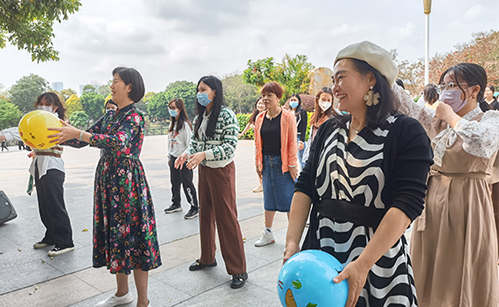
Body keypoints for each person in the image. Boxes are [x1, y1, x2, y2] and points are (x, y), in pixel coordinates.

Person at [284, 41, 433, 307]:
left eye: (341, 77)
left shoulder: (405, 132)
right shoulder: (329, 129)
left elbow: (407, 204)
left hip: (378, 260)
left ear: (371, 80)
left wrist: (363, 264)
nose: (334, 87)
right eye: (333, 79)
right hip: (321, 256)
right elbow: (305, 186)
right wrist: (293, 243)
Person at [49, 67, 160, 307]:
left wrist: (78, 132)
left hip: (128, 183)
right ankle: (122, 294)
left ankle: (143, 301)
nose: (111, 85)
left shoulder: (134, 117)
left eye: (116, 81)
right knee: (117, 236)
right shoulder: (111, 116)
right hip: (109, 181)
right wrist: (57, 134)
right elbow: (83, 139)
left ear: (129, 87)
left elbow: (118, 143)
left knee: (136, 237)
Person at [403, 63, 499, 306]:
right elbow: (405, 105)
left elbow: (482, 143)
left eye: (452, 86)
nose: (445, 92)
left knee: (461, 268)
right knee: (427, 267)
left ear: (476, 90)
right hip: (433, 200)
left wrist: (450, 116)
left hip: (467, 202)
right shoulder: (437, 122)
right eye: (443, 86)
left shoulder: (490, 119)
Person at [175, 75, 248, 289]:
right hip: (205, 171)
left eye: (203, 89)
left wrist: (203, 155)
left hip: (221, 171)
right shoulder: (200, 117)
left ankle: (238, 269)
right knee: (205, 216)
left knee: (227, 219)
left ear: (215, 91)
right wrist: (187, 153)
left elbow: (230, 147)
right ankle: (207, 258)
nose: (200, 93)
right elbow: (196, 143)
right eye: (198, 89)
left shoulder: (227, 115)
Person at [254, 82, 298, 247]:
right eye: (263, 95)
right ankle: (268, 232)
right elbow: (258, 144)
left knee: (289, 200)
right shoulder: (260, 118)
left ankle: (293, 237)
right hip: (266, 162)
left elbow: (293, 141)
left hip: (283, 163)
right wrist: (258, 164)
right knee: (268, 200)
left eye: (269, 95)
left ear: (278, 98)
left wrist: (293, 165)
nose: (265, 98)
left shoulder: (287, 116)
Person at [30, 92, 75, 257]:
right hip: (39, 164)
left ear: (55, 106)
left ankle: (65, 241)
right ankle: (51, 236)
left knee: (55, 205)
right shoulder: (38, 120)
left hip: (52, 166)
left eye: (47, 104)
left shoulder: (58, 122)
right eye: (40, 103)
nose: (43, 106)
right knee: (44, 204)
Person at [164, 98, 199, 219]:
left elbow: (190, 143)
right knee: (174, 182)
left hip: (183, 158)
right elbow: (170, 142)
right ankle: (176, 203)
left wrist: (186, 157)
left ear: (180, 109)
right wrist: (170, 157)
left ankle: (194, 207)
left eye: (173, 108)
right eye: (170, 108)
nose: (171, 110)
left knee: (187, 183)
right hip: (174, 157)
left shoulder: (184, 125)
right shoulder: (172, 123)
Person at [238, 97, 266, 193]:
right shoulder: (255, 115)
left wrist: (255, 127)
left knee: (264, 164)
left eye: (262, 103)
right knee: (257, 164)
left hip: (266, 144)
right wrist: (241, 134)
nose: (260, 105)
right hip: (257, 144)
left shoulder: (267, 115)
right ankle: (261, 184)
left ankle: (266, 184)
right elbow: (249, 124)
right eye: (258, 103)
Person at [287, 94, 308, 169]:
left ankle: (304, 177)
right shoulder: (287, 112)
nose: (293, 102)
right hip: (289, 138)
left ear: (299, 101)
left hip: (298, 137)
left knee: (302, 158)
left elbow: (304, 127)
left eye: (295, 100)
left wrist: (302, 141)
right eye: (291, 100)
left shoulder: (302, 112)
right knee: (289, 158)